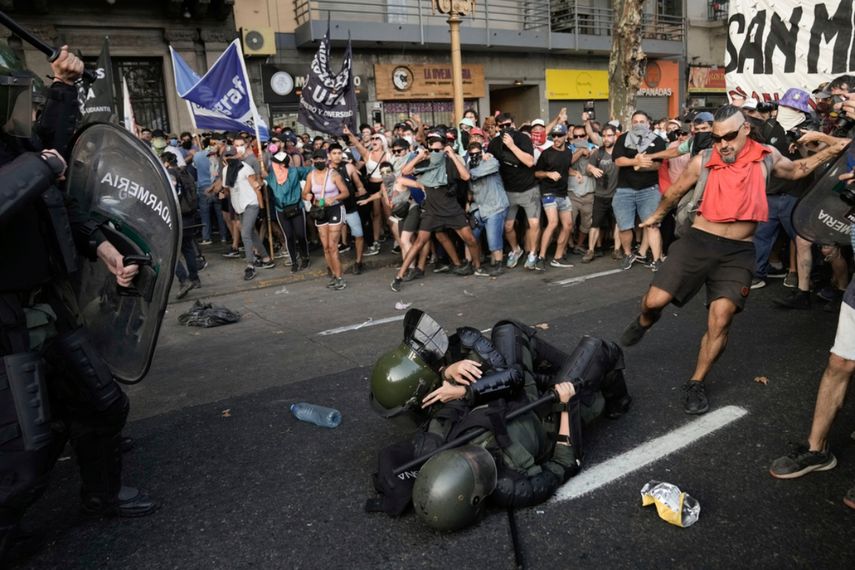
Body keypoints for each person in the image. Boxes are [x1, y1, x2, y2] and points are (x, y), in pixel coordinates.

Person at [0, 45, 157, 564]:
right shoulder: (28, 160)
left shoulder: (19, 149)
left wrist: (104, 249)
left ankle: (101, 495)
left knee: (100, 403)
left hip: (47, 306)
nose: (19, 107)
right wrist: (41, 164)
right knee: (22, 453)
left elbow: (55, 200)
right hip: (4, 322)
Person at [620, 105, 849, 415]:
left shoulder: (767, 156)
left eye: (729, 136)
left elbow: (797, 170)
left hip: (738, 252)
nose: (723, 144)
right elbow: (674, 192)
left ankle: (696, 382)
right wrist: (657, 215)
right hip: (698, 242)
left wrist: (832, 149)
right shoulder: (704, 159)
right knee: (653, 302)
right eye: (717, 138)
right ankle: (645, 320)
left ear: (745, 130)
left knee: (721, 318)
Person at [366, 309, 631, 527]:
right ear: (477, 498)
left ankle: (550, 374)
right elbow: (564, 463)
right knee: (597, 350)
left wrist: (449, 373)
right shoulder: (512, 487)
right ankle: (618, 398)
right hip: (548, 413)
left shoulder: (437, 441)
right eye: (473, 465)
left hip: (512, 394)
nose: (473, 456)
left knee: (508, 329)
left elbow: (448, 401)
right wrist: (565, 405)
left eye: (463, 457)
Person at [390, 131, 487, 292]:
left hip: (450, 207)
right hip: (432, 209)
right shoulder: (425, 162)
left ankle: (477, 267)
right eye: (432, 148)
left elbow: (465, 176)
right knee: (419, 242)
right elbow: (405, 171)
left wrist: (452, 155)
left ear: (444, 148)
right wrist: (419, 156)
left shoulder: (449, 161)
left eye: (438, 149)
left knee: (470, 239)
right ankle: (399, 277)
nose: (435, 152)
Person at [611, 110, 668, 271]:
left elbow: (657, 165)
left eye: (642, 121)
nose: (638, 124)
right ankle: (628, 254)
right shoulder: (623, 138)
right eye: (635, 121)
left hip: (649, 190)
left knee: (652, 225)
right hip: (624, 190)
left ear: (648, 123)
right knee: (624, 226)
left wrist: (641, 165)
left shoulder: (657, 140)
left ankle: (657, 260)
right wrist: (636, 161)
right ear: (631, 123)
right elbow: (618, 161)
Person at [487, 113, 540, 270]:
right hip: (508, 190)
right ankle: (516, 250)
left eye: (508, 125)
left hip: (529, 188)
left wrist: (511, 146)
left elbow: (529, 162)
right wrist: (486, 157)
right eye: (502, 126)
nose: (505, 129)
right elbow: (492, 164)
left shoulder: (523, 139)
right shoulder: (494, 143)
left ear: (513, 124)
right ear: (497, 127)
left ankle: (533, 254)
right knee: (508, 226)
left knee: (534, 224)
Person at [221, 147, 275, 281]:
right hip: (238, 206)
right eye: (227, 156)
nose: (230, 158)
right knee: (252, 233)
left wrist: (261, 208)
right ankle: (266, 258)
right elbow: (227, 189)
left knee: (245, 233)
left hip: (251, 203)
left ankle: (250, 265)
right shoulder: (225, 170)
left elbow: (256, 188)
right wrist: (221, 193)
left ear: (238, 155)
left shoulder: (246, 169)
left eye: (232, 155)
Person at [303, 149, 350, 290]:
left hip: (335, 209)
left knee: (333, 246)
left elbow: (346, 192)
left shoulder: (334, 175)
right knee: (326, 247)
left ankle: (340, 278)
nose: (319, 161)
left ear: (326, 159)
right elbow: (304, 193)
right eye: (316, 159)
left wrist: (334, 198)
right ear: (313, 161)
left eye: (321, 159)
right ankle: (334, 275)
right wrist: (307, 196)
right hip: (320, 211)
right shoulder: (310, 175)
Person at [534, 123, 575, 270]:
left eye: (559, 135)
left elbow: (565, 167)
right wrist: (548, 174)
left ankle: (557, 258)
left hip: (563, 193)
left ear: (566, 136)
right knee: (552, 223)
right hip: (548, 192)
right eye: (554, 136)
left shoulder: (568, 152)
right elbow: (536, 173)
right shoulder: (546, 153)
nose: (556, 138)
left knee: (568, 225)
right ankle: (541, 257)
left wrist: (575, 173)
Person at [467, 141, 509, 276]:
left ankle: (499, 264)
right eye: (471, 154)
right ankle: (470, 263)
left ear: (482, 152)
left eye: (477, 153)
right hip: (479, 207)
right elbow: (470, 190)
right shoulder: (469, 165)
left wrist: (467, 172)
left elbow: (474, 174)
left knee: (493, 239)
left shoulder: (491, 161)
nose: (474, 156)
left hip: (495, 206)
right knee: (470, 237)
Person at [267, 150, 312, 273]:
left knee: (301, 234)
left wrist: (307, 191)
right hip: (281, 210)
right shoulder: (271, 175)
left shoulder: (295, 171)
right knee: (289, 236)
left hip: (297, 207)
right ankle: (294, 261)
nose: (273, 164)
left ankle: (305, 257)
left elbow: (311, 171)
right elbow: (261, 180)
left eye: (276, 162)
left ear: (283, 164)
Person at [584, 124, 619, 263]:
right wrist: (591, 169)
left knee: (619, 223)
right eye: (604, 136)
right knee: (595, 224)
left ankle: (617, 250)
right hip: (600, 195)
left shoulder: (620, 152)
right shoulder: (598, 153)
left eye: (609, 135)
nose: (606, 139)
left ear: (615, 136)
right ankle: (590, 250)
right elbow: (588, 168)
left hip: (617, 194)